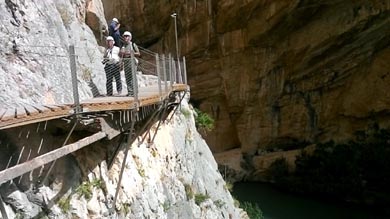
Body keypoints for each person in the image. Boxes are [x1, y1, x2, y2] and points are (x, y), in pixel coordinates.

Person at [120, 31, 140, 96]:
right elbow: (121, 55)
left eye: (127, 36)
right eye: (124, 36)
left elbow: (138, 53)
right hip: (125, 62)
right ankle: (130, 92)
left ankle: (135, 91)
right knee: (127, 77)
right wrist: (120, 53)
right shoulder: (123, 46)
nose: (125, 37)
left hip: (132, 61)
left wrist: (130, 53)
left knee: (133, 76)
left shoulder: (133, 44)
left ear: (130, 37)